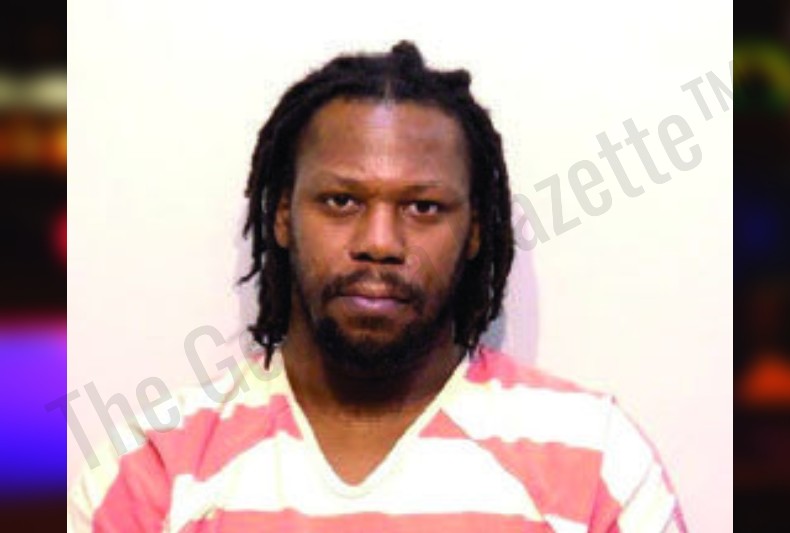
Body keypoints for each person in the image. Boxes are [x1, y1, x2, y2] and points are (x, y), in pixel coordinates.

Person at [68, 41, 687, 532]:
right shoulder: (156, 464)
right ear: (282, 215)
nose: (380, 242)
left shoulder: (595, 459)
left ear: (475, 230)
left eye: (423, 207)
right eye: (341, 201)